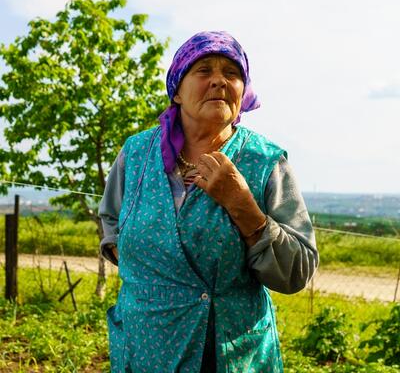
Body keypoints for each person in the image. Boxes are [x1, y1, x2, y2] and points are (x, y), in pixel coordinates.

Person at [99, 31, 318, 373]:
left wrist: (242, 204)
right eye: (204, 70)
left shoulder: (264, 162)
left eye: (232, 74)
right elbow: (111, 220)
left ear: (242, 92)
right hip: (145, 344)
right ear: (177, 91)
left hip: (229, 351)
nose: (219, 81)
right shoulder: (137, 154)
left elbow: (298, 270)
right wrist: (142, 272)